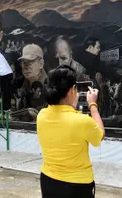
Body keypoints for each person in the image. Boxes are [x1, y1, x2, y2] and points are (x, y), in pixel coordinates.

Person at [37, 65, 105, 198]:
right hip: (77, 185)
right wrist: (93, 105)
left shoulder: (41, 115)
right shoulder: (82, 121)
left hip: (48, 180)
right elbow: (100, 135)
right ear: (72, 90)